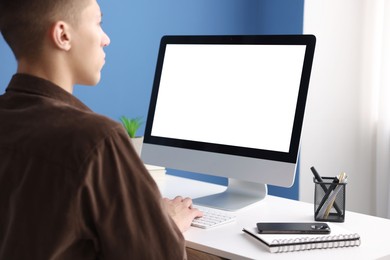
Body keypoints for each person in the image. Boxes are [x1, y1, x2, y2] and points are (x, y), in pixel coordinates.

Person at [0, 0, 203, 259]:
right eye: (98, 23)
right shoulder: (96, 139)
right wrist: (165, 222)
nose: (105, 39)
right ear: (63, 35)